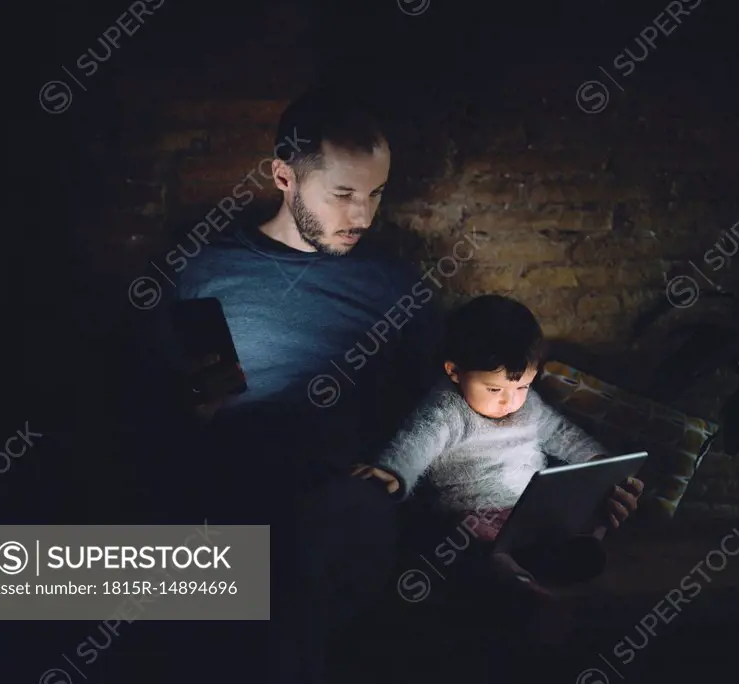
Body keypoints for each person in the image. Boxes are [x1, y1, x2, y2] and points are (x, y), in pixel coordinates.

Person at [135, 85, 441, 683]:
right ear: (284, 176)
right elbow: (183, 407)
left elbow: (440, 410)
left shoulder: (395, 285)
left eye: (376, 194)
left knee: (299, 541)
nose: (362, 216)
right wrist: (195, 407)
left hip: (341, 487)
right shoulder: (207, 268)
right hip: (237, 472)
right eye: (343, 194)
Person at [352, 294, 644, 638]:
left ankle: (568, 550)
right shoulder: (447, 409)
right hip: (472, 518)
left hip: (529, 515)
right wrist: (391, 472)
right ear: (454, 371)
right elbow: (416, 442)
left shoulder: (528, 405)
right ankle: (522, 589)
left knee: (580, 518)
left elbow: (565, 436)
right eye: (494, 388)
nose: (510, 401)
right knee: (471, 552)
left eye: (522, 385)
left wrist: (601, 466)